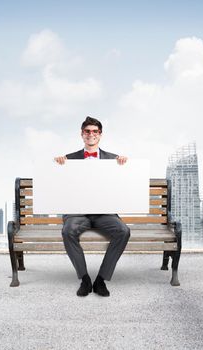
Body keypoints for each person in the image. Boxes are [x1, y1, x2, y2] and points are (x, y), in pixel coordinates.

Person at [54, 116, 130, 297]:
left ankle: (101, 279)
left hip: (104, 214)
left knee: (123, 230)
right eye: (87, 131)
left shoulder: (114, 160)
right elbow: (56, 184)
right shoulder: (67, 160)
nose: (91, 134)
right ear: (82, 134)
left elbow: (124, 186)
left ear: (100, 135)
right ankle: (85, 279)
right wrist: (56, 166)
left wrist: (125, 166)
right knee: (67, 231)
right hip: (77, 214)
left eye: (95, 131)